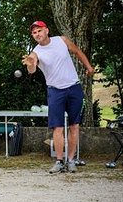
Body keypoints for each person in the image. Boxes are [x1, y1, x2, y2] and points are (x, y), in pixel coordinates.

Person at [22, 20, 95, 174]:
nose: (37, 34)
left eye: (39, 31)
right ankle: (59, 161)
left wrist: (88, 67)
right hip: (55, 91)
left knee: (74, 126)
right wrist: (30, 64)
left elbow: (77, 52)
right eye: (34, 33)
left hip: (74, 87)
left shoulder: (62, 40)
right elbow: (32, 69)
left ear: (46, 30)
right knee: (58, 127)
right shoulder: (35, 52)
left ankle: (71, 160)